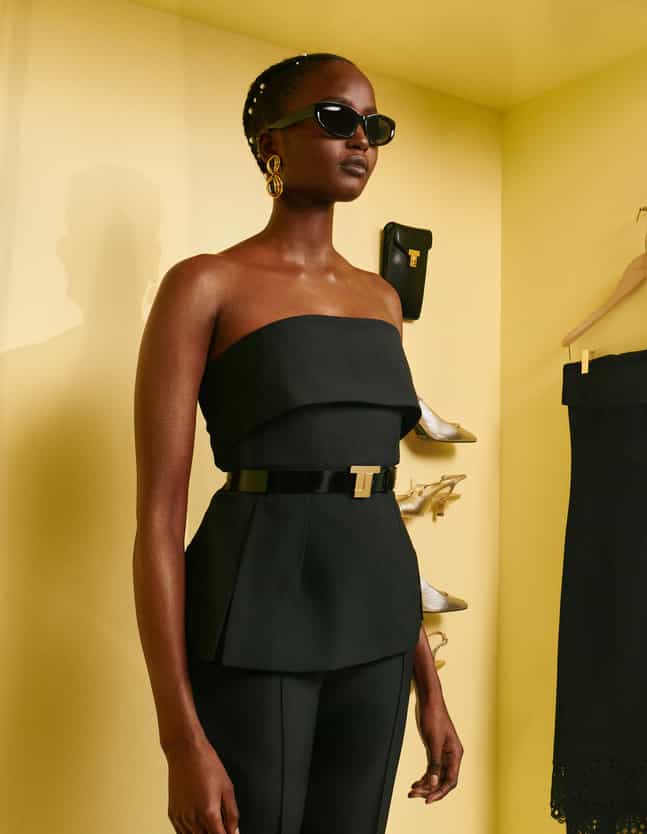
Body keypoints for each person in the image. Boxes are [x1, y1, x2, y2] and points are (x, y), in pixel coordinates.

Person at [132, 52, 463, 834]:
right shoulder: (205, 284)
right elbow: (157, 521)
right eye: (337, 119)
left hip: (380, 623)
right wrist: (179, 739)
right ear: (271, 144)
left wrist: (431, 687)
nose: (362, 140)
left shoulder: (383, 300)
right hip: (257, 612)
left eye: (375, 126)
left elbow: (375, 495)